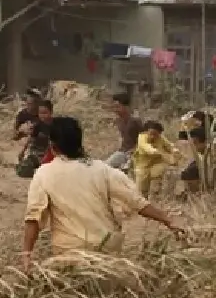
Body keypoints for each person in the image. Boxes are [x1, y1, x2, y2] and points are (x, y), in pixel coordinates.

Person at [23, 116, 184, 261]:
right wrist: (168, 220)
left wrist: (26, 255)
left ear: (52, 146)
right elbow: (137, 202)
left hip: (70, 252)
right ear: (80, 142)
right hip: (107, 248)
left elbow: (34, 217)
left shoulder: (44, 173)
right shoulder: (104, 170)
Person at [133, 120, 179, 200]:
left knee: (157, 178)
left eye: (156, 134)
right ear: (146, 131)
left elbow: (169, 145)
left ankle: (156, 198)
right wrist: (156, 151)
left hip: (157, 163)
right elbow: (145, 147)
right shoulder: (141, 137)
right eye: (151, 133)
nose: (153, 136)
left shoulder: (161, 138)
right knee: (141, 189)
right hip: (142, 165)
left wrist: (174, 150)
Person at [18, 99, 55, 176]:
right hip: (36, 154)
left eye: (45, 113)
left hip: (50, 155)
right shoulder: (37, 125)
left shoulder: (56, 126)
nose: (42, 116)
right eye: (40, 113)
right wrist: (22, 152)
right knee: (22, 170)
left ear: (51, 112)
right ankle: (38, 172)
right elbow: (31, 138)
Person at [106, 91, 140, 171]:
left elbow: (143, 138)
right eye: (114, 107)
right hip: (123, 152)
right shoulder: (119, 120)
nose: (115, 110)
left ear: (126, 107)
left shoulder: (135, 120)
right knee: (105, 167)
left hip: (135, 153)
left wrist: (134, 152)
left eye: (117, 107)